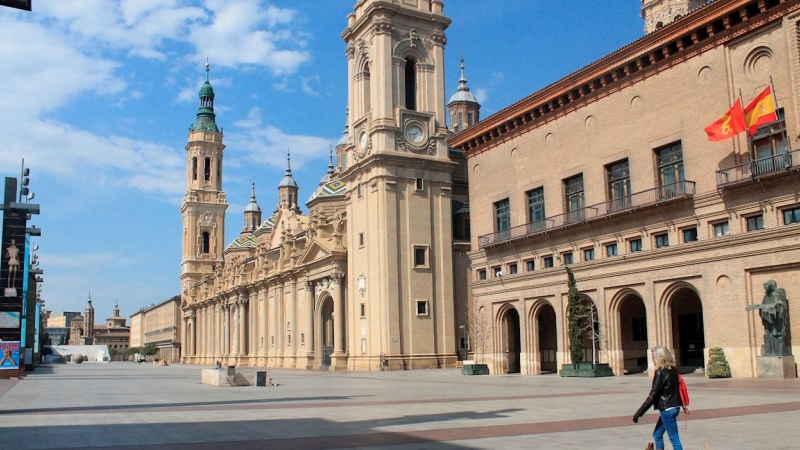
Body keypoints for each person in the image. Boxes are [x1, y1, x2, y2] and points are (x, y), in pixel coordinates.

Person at [633, 346, 684, 450]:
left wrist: (639, 413)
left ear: (659, 357)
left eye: (653, 356)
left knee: (674, 438)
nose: (653, 358)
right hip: (675, 407)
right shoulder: (674, 370)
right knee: (657, 435)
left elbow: (653, 395)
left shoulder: (660, 372)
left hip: (667, 409)